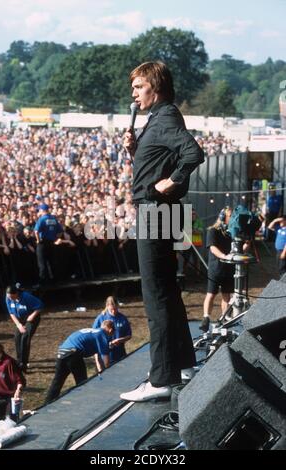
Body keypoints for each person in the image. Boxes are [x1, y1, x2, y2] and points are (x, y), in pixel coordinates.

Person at [120, 61, 204, 402]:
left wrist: (172, 182)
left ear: (155, 85)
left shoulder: (166, 117)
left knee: (155, 296)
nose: (134, 94)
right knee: (167, 291)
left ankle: (160, 379)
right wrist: (134, 150)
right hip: (162, 212)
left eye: (139, 87)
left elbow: (193, 153)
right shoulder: (160, 117)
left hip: (155, 212)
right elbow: (157, 161)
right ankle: (182, 363)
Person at [200, 208, 250, 332]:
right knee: (211, 294)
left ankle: (224, 319)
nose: (233, 219)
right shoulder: (213, 231)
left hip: (229, 269)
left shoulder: (233, 232)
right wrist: (224, 256)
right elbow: (212, 248)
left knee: (226, 296)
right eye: (230, 216)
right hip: (216, 269)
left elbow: (241, 250)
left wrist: (248, 242)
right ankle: (206, 318)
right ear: (222, 217)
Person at [45, 320, 115, 402]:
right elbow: (105, 358)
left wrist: (101, 370)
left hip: (62, 352)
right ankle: (83, 402)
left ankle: (48, 402)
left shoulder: (94, 331)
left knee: (58, 381)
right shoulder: (102, 334)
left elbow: (98, 356)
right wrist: (109, 375)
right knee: (82, 381)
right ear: (110, 330)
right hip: (73, 353)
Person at [0, 336, 26, 437]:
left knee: (10, 427)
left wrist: (17, 393)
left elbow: (20, 380)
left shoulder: (8, 362)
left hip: (10, 400)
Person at [6, 285, 43, 372]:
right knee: (17, 337)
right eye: (8, 297)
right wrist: (18, 325)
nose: (10, 299)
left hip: (31, 318)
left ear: (16, 294)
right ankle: (19, 361)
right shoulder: (8, 298)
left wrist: (32, 316)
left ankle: (24, 363)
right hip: (20, 319)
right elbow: (11, 313)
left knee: (25, 337)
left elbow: (40, 306)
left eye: (12, 297)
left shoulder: (26, 297)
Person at [92, 296, 132, 363]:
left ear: (118, 306)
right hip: (104, 356)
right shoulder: (100, 318)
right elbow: (93, 336)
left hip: (120, 354)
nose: (113, 311)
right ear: (107, 306)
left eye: (115, 309)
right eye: (111, 310)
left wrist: (120, 340)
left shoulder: (123, 318)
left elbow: (129, 335)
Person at [34, 203, 63, 285]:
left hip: (43, 243)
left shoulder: (42, 219)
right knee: (52, 262)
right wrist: (56, 238)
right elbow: (60, 231)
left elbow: (36, 231)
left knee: (42, 263)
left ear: (42, 210)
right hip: (51, 242)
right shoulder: (54, 219)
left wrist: (38, 240)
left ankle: (43, 281)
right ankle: (55, 280)